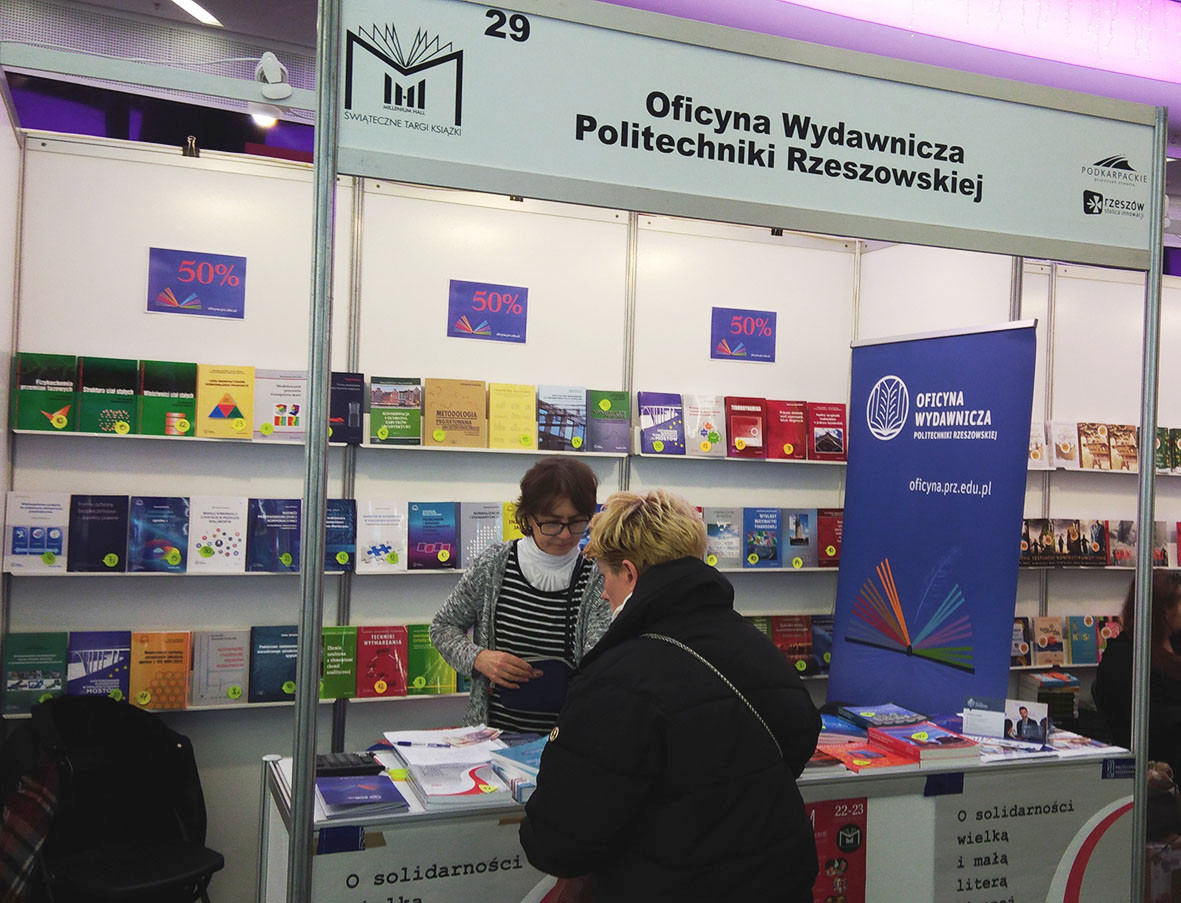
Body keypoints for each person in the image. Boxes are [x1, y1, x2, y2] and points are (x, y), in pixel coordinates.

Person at [520, 489, 821, 902]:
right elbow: (799, 741)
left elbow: (559, 840)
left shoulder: (616, 676)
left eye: (606, 577)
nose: (604, 593)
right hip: (778, 880)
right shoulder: (756, 644)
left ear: (629, 573)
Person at [430, 457, 609, 731]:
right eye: (552, 523)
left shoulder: (598, 576)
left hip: (568, 739)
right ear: (528, 517)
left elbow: (600, 666)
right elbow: (443, 627)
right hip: (493, 735)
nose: (565, 535)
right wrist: (479, 658)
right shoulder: (493, 565)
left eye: (576, 522)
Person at [1094, 571, 1181, 774]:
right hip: (1155, 760)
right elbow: (1145, 719)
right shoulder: (1124, 655)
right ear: (1162, 609)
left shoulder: (1176, 641)